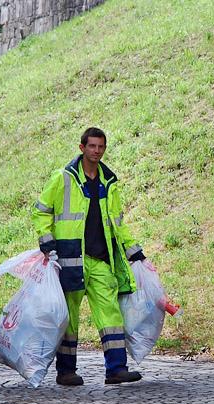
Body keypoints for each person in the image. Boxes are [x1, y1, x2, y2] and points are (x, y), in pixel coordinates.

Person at [32, 127, 146, 386]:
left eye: (101, 147)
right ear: (82, 147)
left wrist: (132, 248)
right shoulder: (63, 178)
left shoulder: (109, 181)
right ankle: (66, 372)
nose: (96, 151)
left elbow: (117, 222)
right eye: (92, 146)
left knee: (111, 316)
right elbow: (41, 210)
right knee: (69, 318)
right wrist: (45, 238)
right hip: (71, 260)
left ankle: (116, 369)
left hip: (100, 260)